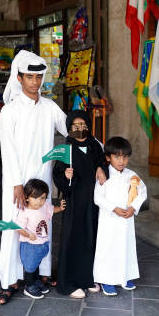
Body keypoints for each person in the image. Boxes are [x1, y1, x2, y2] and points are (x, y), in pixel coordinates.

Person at [0, 50, 68, 306]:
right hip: (18, 182)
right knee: (14, 226)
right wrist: (16, 184)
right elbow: (8, 150)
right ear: (19, 78)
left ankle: (41, 274)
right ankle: (11, 280)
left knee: (43, 223)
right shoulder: (9, 111)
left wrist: (88, 133)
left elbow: (70, 128)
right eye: (29, 77)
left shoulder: (50, 107)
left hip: (42, 177)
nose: (35, 81)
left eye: (38, 76)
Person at [52, 110, 106, 299]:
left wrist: (100, 167)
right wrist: (66, 177)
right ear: (69, 129)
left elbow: (102, 162)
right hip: (75, 201)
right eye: (76, 127)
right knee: (73, 238)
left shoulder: (95, 146)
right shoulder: (65, 150)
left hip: (93, 202)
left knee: (91, 237)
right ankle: (69, 283)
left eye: (84, 126)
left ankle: (88, 278)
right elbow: (57, 175)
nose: (80, 129)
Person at [93, 137, 147, 296]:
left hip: (126, 220)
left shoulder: (132, 175)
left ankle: (125, 276)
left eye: (125, 157)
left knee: (126, 246)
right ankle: (107, 279)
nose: (122, 161)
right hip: (109, 220)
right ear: (108, 157)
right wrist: (114, 208)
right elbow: (98, 197)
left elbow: (142, 192)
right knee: (108, 248)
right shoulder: (104, 174)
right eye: (117, 157)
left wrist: (133, 207)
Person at [14, 179, 66, 299]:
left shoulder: (44, 206)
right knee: (30, 267)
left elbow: (52, 210)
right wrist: (27, 234)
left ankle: (36, 281)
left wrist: (61, 208)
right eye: (35, 198)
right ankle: (29, 286)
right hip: (30, 245)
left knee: (36, 264)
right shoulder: (24, 211)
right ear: (26, 197)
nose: (40, 201)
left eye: (43, 198)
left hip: (42, 243)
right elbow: (18, 228)